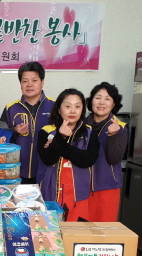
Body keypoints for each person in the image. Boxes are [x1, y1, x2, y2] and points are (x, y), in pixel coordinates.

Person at [37, 88, 99, 222]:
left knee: (76, 233)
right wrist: (60, 137)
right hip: (50, 194)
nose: (73, 111)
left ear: (82, 110)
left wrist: (58, 144)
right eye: (68, 106)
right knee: (50, 232)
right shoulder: (46, 131)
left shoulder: (89, 132)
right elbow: (48, 159)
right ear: (59, 109)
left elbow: (87, 160)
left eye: (77, 106)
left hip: (78, 196)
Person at [0, 61, 55, 183]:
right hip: (15, 172)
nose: (29, 85)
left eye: (34, 80)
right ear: (20, 84)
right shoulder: (10, 108)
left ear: (42, 82)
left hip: (47, 172)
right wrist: (14, 131)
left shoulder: (55, 107)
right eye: (25, 81)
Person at [85, 82, 128, 221]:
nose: (102, 102)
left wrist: (112, 136)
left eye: (107, 99)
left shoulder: (120, 127)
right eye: (98, 97)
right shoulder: (81, 125)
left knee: (103, 230)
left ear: (113, 104)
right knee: (80, 229)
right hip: (81, 188)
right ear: (91, 101)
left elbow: (114, 158)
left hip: (107, 188)